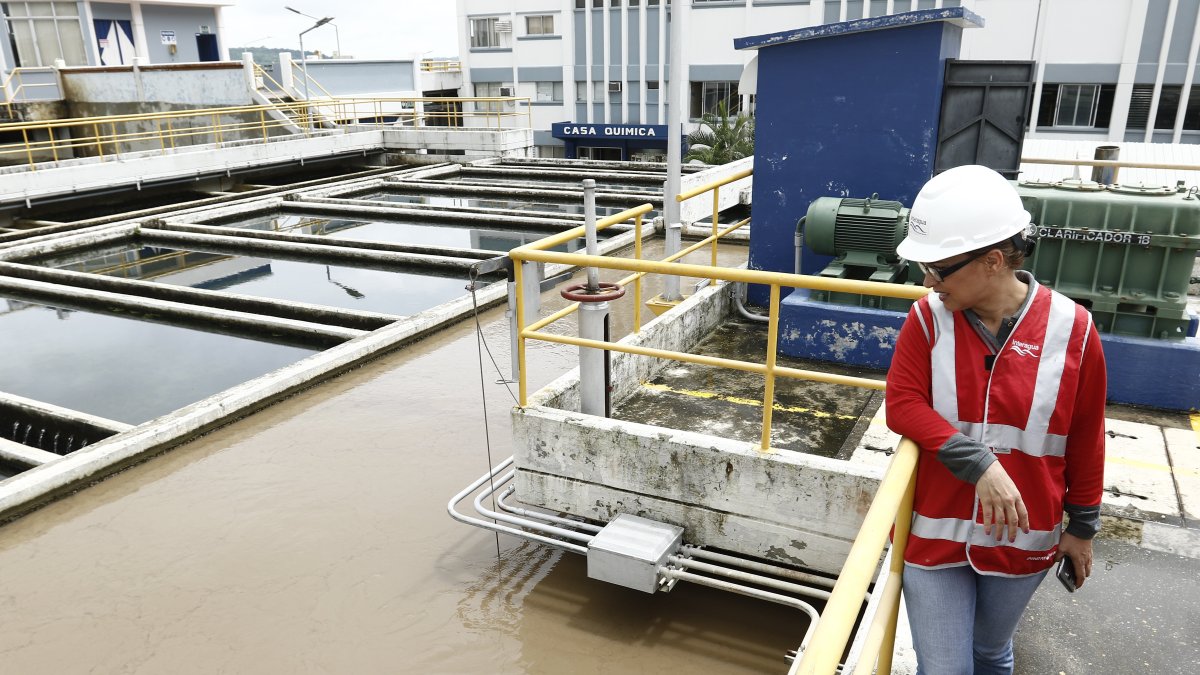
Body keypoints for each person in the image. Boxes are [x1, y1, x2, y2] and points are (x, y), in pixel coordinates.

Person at [885, 165, 1107, 675]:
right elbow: (903, 404)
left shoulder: (1073, 329)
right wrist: (978, 462)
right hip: (934, 530)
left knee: (990, 652)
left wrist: (1083, 527)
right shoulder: (926, 319)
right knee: (945, 668)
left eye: (939, 268)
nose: (927, 281)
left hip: (1021, 537)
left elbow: (1086, 437)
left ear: (992, 260)